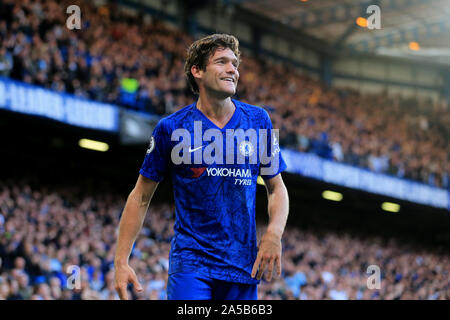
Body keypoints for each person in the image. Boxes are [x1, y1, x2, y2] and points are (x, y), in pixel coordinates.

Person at [114, 34, 290, 300]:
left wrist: (274, 233)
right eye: (222, 62)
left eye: (235, 63)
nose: (233, 69)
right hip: (191, 264)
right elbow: (140, 196)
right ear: (197, 70)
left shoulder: (259, 120)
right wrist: (121, 261)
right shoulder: (171, 128)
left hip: (242, 266)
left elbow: (277, 188)